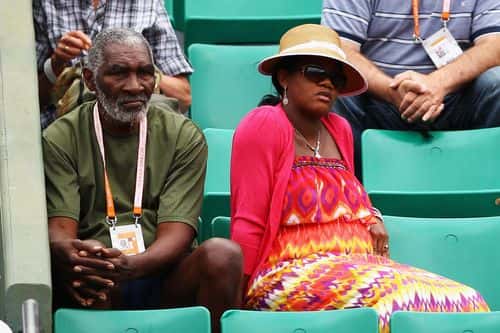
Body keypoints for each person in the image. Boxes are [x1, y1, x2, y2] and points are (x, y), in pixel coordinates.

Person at [230, 24, 489, 333]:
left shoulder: (339, 129)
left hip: (357, 268)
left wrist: (371, 216)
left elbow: (345, 197)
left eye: (336, 78)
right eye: (315, 71)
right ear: (284, 77)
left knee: (468, 300)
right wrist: (241, 307)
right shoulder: (264, 124)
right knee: (396, 305)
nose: (327, 83)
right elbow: (249, 220)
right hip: (287, 272)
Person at [43, 28, 242, 333]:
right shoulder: (62, 136)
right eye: (118, 73)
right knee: (88, 269)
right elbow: (61, 230)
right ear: (89, 80)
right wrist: (76, 255)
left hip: (164, 274)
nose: (135, 86)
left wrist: (130, 267)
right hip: (100, 276)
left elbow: (178, 233)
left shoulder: (182, 136)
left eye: (145, 73)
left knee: (222, 254)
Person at [321, 0, 500, 178]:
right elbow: (338, 48)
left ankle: (488, 186)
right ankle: (347, 193)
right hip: (377, 100)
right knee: (334, 88)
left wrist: (437, 84)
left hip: (457, 98)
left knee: (497, 81)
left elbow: (495, 45)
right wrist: (393, 92)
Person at [33, 0, 192, 128]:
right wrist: (56, 63)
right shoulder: (46, 3)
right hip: (69, 133)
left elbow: (182, 97)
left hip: (134, 135)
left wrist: (141, 71)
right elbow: (27, 103)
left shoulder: (148, 3)